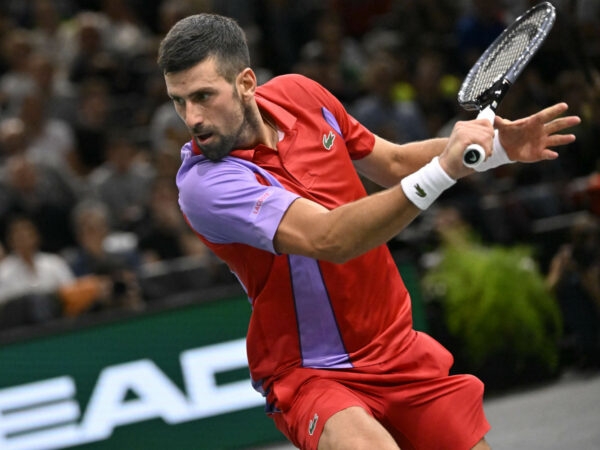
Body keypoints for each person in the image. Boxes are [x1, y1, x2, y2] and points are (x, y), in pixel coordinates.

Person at [157, 13, 580, 450]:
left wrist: (499, 150)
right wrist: (445, 169)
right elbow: (329, 240)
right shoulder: (204, 185)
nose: (191, 117)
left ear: (245, 83)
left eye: (203, 96)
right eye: (179, 101)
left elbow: (393, 163)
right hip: (313, 371)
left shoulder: (300, 94)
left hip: (395, 346)